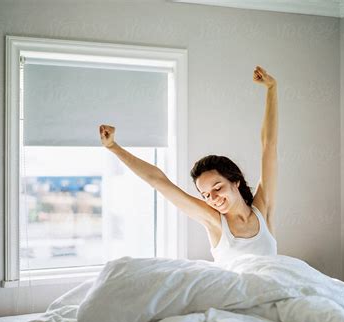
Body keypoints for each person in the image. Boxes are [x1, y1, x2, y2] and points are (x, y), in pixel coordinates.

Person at [99, 66, 278, 263]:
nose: (213, 199)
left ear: (235, 181)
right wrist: (114, 147)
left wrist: (272, 88)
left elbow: (268, 146)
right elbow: (158, 181)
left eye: (217, 188)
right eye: (206, 195)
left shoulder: (263, 208)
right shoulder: (215, 222)